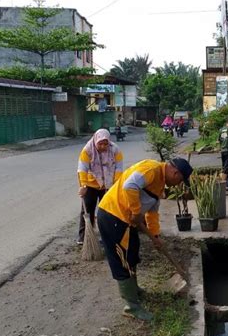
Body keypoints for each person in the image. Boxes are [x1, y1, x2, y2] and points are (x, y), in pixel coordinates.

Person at [97, 157, 193, 321]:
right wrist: (135, 212)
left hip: (128, 221)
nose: (178, 184)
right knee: (123, 261)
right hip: (114, 216)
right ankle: (132, 307)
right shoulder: (152, 170)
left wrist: (155, 235)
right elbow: (130, 186)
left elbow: (152, 212)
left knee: (133, 254)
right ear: (175, 173)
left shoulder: (160, 184)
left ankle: (135, 290)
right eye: (180, 181)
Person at [77, 129, 124, 245]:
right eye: (100, 143)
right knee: (87, 211)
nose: (103, 146)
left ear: (109, 142)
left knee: (106, 212)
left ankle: (106, 236)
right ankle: (84, 237)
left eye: (105, 144)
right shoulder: (87, 150)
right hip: (91, 185)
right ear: (95, 140)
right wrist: (83, 185)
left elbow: (119, 168)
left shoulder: (115, 150)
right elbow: (82, 169)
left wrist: (116, 184)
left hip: (108, 185)